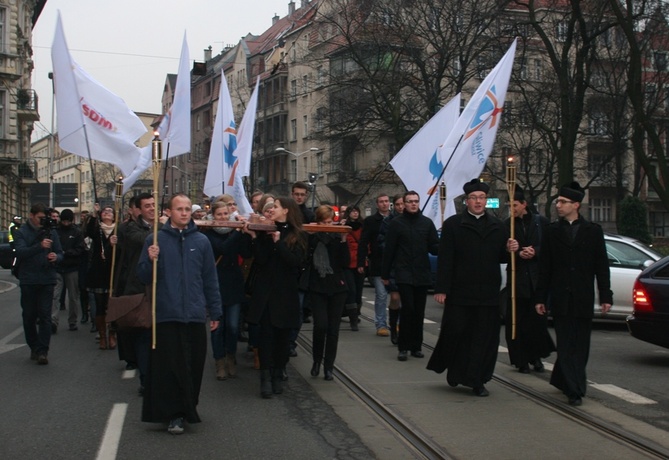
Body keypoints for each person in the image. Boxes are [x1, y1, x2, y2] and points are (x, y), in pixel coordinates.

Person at [138, 193, 222, 435]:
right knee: (171, 368)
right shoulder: (155, 240)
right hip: (167, 313)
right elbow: (143, 275)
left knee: (193, 366)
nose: (184, 213)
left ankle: (189, 407)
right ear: (169, 212)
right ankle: (174, 413)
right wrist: (150, 260)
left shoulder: (202, 242)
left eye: (187, 209)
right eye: (179, 209)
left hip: (195, 313)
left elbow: (209, 279)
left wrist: (215, 310)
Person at [427, 179, 509, 397]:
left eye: (481, 198)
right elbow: (446, 259)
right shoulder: (454, 225)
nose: (478, 202)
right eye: (474, 198)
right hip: (460, 292)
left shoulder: (498, 226)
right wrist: (441, 288)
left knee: (484, 339)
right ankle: (455, 372)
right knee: (458, 334)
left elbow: (502, 257)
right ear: (467, 201)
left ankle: (477, 379)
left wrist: (511, 249)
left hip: (488, 293)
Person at [533, 182, 612, 406]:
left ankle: (569, 380)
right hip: (560, 298)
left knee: (581, 345)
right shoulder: (551, 232)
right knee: (566, 344)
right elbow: (545, 268)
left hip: (583, 298)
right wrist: (540, 298)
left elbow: (601, 266)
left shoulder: (593, 232)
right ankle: (574, 388)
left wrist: (605, 296)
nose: (558, 205)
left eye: (563, 202)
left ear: (576, 205)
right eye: (558, 201)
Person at [244, 197, 307, 399]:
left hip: (286, 293)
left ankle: (278, 373)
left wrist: (278, 243)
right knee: (266, 338)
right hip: (266, 293)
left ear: (286, 210)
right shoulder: (265, 230)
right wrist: (255, 237)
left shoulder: (298, 234)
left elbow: (295, 262)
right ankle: (265, 378)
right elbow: (261, 259)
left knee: (282, 339)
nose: (272, 210)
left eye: (276, 207)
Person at [382, 191, 439, 361]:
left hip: (422, 273)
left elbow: (434, 247)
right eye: (410, 201)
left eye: (416, 201)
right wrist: (385, 273)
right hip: (404, 272)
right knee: (408, 309)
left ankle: (416, 346)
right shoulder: (397, 224)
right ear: (404, 204)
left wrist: (444, 243)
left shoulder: (427, 223)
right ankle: (403, 346)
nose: (413, 204)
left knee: (419, 311)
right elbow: (389, 250)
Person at [504, 187, 555, 374]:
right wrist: (514, 251)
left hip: (536, 280)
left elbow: (549, 248)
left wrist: (535, 252)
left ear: (524, 204)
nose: (512, 209)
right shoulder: (507, 224)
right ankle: (521, 359)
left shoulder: (541, 223)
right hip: (517, 280)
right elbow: (502, 252)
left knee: (536, 322)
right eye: (509, 206)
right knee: (517, 321)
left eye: (515, 205)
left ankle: (537, 357)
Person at [114, 193, 158, 388]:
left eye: (154, 205)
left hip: (160, 288)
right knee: (143, 335)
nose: (151, 208)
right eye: (147, 206)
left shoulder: (164, 227)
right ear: (139, 210)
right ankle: (146, 378)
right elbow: (142, 239)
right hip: (139, 288)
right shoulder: (131, 229)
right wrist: (162, 228)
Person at [205, 201, 252, 380]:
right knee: (218, 327)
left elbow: (246, 253)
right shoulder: (209, 235)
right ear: (213, 217)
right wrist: (237, 232)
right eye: (220, 215)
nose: (223, 218)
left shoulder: (235, 232)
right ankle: (219, 361)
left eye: (226, 214)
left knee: (232, 327)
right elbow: (223, 248)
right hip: (216, 285)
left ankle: (231, 356)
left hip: (234, 284)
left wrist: (246, 234)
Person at [14, 203, 63, 365]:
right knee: (29, 316)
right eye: (40, 218)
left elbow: (60, 252)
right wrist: (39, 246)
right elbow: (21, 252)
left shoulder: (51, 232)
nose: (43, 221)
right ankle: (34, 346)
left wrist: (56, 256)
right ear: (32, 216)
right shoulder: (22, 232)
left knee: (45, 315)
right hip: (28, 279)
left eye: (45, 218)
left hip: (47, 278)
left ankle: (43, 350)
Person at [304, 205, 349, 381]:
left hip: (337, 287)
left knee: (333, 329)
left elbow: (345, 262)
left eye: (330, 222)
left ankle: (328, 366)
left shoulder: (337, 237)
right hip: (318, 287)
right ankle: (316, 361)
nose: (328, 225)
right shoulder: (313, 238)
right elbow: (306, 257)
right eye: (324, 222)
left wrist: (343, 239)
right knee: (320, 325)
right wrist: (311, 235)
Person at [84, 204, 117, 349]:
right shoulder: (97, 229)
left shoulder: (118, 230)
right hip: (98, 272)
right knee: (99, 305)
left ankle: (112, 334)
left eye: (110, 211)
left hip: (112, 271)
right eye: (105, 211)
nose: (107, 213)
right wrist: (94, 215)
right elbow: (88, 231)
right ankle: (102, 335)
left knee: (112, 305)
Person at [357, 194, 391, 336]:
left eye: (386, 201)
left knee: (397, 296)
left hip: (395, 263)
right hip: (378, 263)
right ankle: (381, 324)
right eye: (381, 202)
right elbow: (363, 242)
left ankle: (396, 323)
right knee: (381, 295)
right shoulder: (371, 221)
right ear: (377, 204)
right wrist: (361, 262)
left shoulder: (395, 219)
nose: (384, 204)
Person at [51, 208, 86, 332]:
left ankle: (72, 321)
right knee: (55, 296)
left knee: (73, 297)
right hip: (58, 267)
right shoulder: (55, 231)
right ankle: (53, 321)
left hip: (72, 267)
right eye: (64, 221)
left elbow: (80, 248)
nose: (66, 223)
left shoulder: (76, 232)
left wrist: (67, 253)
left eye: (68, 221)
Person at [377, 194, 405, 344]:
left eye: (403, 204)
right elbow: (381, 241)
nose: (401, 207)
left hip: (409, 266)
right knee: (395, 298)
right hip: (394, 265)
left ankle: (404, 327)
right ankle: (393, 326)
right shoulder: (389, 222)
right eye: (398, 204)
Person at [341, 205, 364, 331]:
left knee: (359, 291)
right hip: (348, 262)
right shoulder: (344, 226)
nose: (355, 213)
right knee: (351, 290)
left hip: (359, 263)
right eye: (352, 211)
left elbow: (366, 244)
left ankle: (356, 313)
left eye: (357, 211)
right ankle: (353, 319)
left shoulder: (363, 226)